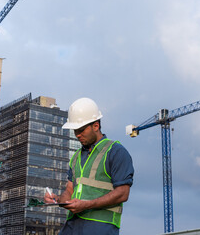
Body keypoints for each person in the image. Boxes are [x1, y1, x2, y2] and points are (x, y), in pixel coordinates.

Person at [44, 97, 134, 235]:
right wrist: (57, 199)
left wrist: (86, 204)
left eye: (81, 130)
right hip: (73, 225)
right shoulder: (76, 158)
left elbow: (122, 193)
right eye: (75, 130)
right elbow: (69, 191)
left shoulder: (116, 152)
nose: (77, 135)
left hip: (101, 226)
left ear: (96, 126)